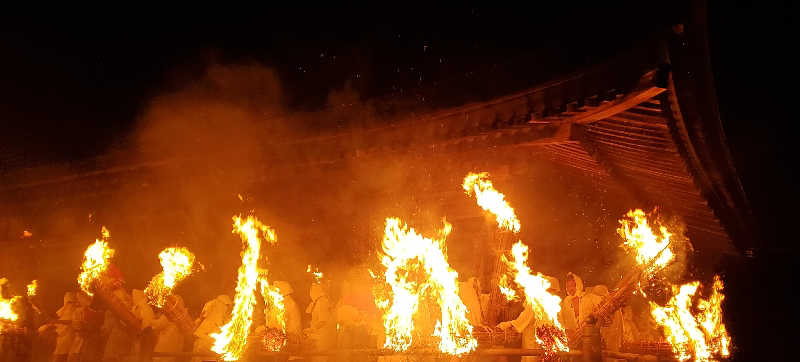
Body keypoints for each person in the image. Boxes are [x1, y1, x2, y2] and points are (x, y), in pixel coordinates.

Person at [496, 275, 561, 362]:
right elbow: (521, 321)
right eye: (551, 291)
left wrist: (503, 326)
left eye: (554, 291)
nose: (553, 294)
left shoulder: (540, 305)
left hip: (535, 346)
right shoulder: (543, 305)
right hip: (538, 346)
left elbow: (520, 322)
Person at [192, 294, 231, 362]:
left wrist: (195, 327)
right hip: (213, 337)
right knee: (210, 356)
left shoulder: (210, 303)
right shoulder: (225, 308)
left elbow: (202, 316)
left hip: (203, 334)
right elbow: (226, 323)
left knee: (197, 356)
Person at [304, 283, 335, 362]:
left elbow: (323, 321)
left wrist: (312, 329)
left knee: (320, 358)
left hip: (322, 338)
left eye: (312, 289)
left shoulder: (322, 302)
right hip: (317, 337)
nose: (310, 292)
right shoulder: (316, 302)